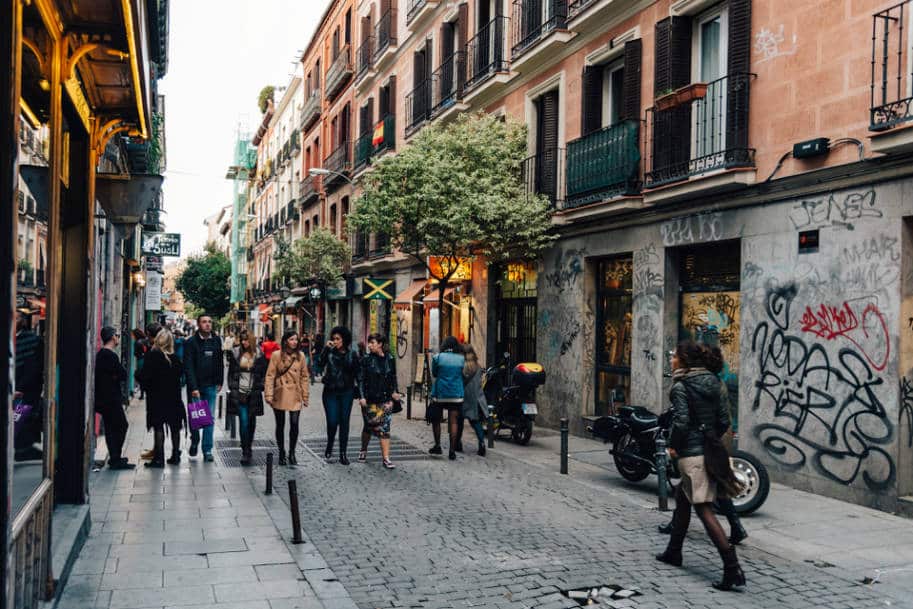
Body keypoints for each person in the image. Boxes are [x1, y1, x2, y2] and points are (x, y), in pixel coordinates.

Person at [656, 341, 746, 591]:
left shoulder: (681, 386)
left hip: (691, 454)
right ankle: (674, 551)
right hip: (708, 450)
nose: (672, 359)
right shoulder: (716, 383)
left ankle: (732, 568)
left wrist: (674, 445)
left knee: (704, 508)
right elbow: (724, 420)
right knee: (683, 498)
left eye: (675, 356)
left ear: (684, 361)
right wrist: (709, 438)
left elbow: (682, 422)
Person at [139, 329, 185, 467]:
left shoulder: (152, 356)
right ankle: (175, 455)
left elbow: (144, 377)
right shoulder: (176, 359)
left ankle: (159, 459)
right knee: (174, 427)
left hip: (157, 398)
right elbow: (180, 379)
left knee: (159, 427)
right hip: (174, 398)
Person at [315, 326, 360, 465]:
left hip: (347, 391)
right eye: (333, 338)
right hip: (330, 391)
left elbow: (358, 374)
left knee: (344, 422)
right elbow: (319, 365)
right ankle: (330, 443)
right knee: (333, 421)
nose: (335, 341)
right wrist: (325, 349)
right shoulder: (329, 352)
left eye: (338, 339)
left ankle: (343, 453)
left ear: (344, 339)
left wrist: (361, 394)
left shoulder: (352, 354)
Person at [264, 331, 309, 466]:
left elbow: (304, 377)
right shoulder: (276, 355)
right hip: (280, 392)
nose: (294, 342)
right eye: (291, 339)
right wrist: (269, 394)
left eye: (296, 339)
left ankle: (292, 452)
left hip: (295, 393)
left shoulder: (300, 356)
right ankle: (282, 451)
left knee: (294, 423)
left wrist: (305, 395)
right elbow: (270, 375)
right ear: (285, 341)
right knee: (280, 424)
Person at [184, 314, 224, 462]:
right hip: (196, 387)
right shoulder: (191, 342)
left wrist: (220, 380)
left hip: (211, 385)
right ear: (199, 325)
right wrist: (193, 386)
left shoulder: (216, 340)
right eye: (204, 322)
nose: (207, 324)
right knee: (196, 417)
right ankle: (195, 440)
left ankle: (207, 450)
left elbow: (219, 361)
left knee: (209, 419)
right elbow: (188, 366)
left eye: (209, 322)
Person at [357, 334, 400, 469]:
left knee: (385, 429)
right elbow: (361, 380)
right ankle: (363, 449)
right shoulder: (366, 360)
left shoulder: (390, 359)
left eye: (373, 343)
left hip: (385, 399)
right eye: (369, 343)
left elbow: (393, 377)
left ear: (380, 344)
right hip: (370, 400)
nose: (370, 345)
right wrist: (362, 396)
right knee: (369, 427)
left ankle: (386, 458)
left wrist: (394, 392)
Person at [95, 327, 134, 469]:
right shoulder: (109, 355)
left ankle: (115, 457)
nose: (118, 338)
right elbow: (122, 374)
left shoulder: (102, 354)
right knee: (121, 426)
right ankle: (115, 458)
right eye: (117, 335)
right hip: (110, 398)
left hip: (106, 397)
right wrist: (116, 375)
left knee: (112, 427)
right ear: (113, 337)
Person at [227, 331, 268, 465]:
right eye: (242, 340)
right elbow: (231, 374)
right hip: (240, 394)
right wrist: (233, 388)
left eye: (246, 340)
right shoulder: (235, 353)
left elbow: (264, 373)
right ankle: (245, 451)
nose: (244, 342)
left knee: (251, 422)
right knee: (244, 422)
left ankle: (248, 445)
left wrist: (260, 386)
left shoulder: (259, 354)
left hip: (253, 394)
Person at [428, 337, 465, 460]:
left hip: (440, 394)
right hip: (456, 394)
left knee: (436, 420)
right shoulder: (461, 359)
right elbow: (464, 374)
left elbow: (434, 373)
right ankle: (452, 450)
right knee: (454, 421)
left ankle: (438, 445)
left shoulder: (437, 358)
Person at [14, 311, 44, 461]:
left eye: (16, 318)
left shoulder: (33, 340)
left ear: (22, 321)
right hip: (13, 389)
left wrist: (20, 388)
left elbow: (34, 368)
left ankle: (24, 449)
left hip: (25, 391)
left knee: (21, 417)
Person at [460, 345, 487, 457]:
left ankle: (457, 443)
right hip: (476, 398)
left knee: (459, 421)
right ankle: (482, 443)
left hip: (463, 397)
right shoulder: (478, 367)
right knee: (475, 422)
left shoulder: (462, 367)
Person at [132, 328, 149, 399]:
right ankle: (144, 392)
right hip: (146, 360)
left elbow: (135, 353)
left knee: (139, 376)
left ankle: (142, 393)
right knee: (144, 377)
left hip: (140, 361)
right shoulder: (146, 340)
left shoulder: (137, 342)